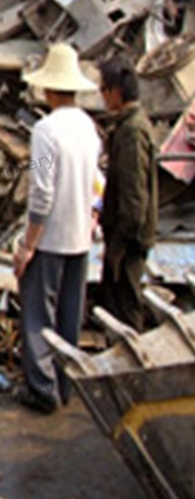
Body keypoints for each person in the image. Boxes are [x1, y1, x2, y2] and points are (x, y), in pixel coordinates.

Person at [14, 43, 100, 413]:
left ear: (49, 90)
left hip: (51, 237)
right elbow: (98, 182)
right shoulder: (88, 127)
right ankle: (66, 384)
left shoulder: (45, 130)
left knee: (37, 315)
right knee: (69, 314)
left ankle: (42, 389)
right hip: (80, 237)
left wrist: (27, 245)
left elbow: (42, 192)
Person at [98, 55, 157, 330]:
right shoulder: (128, 125)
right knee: (118, 302)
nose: (102, 98)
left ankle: (132, 368)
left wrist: (118, 248)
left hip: (129, 238)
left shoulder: (132, 132)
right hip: (126, 234)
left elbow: (134, 199)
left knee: (126, 305)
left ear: (116, 92)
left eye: (103, 91)